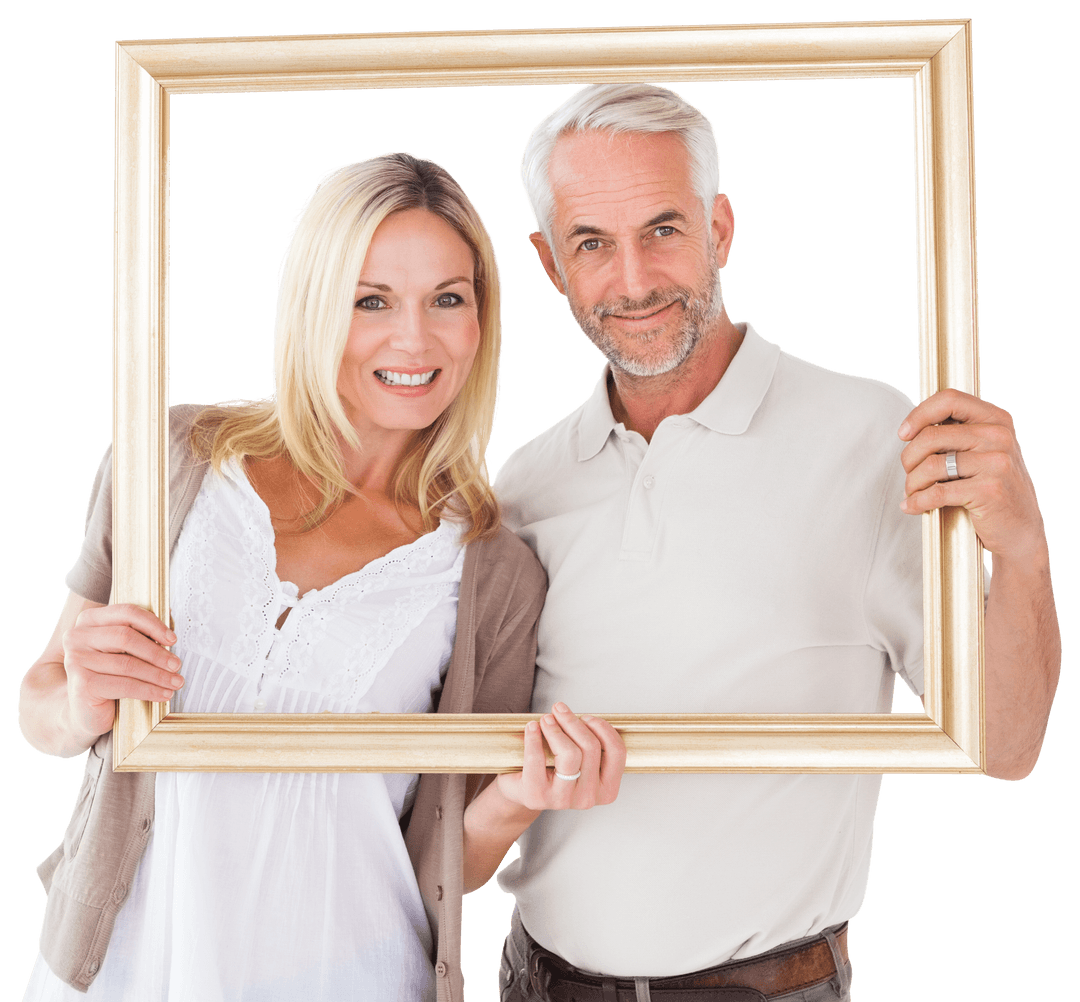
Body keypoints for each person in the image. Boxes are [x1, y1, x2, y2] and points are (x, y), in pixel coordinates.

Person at [493, 85, 1062, 1002]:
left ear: (720, 229)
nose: (632, 280)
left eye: (664, 229)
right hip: (536, 982)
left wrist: (1025, 554)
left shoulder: (871, 437)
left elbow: (1007, 745)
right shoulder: (525, 482)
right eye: (591, 242)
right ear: (550, 262)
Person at [17, 152, 625, 1002]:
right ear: (312, 303)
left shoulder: (495, 572)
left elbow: (440, 859)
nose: (414, 339)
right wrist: (82, 697)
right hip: (119, 974)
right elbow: (42, 703)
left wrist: (520, 799)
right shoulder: (169, 460)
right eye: (371, 300)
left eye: (448, 299)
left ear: (481, 320)